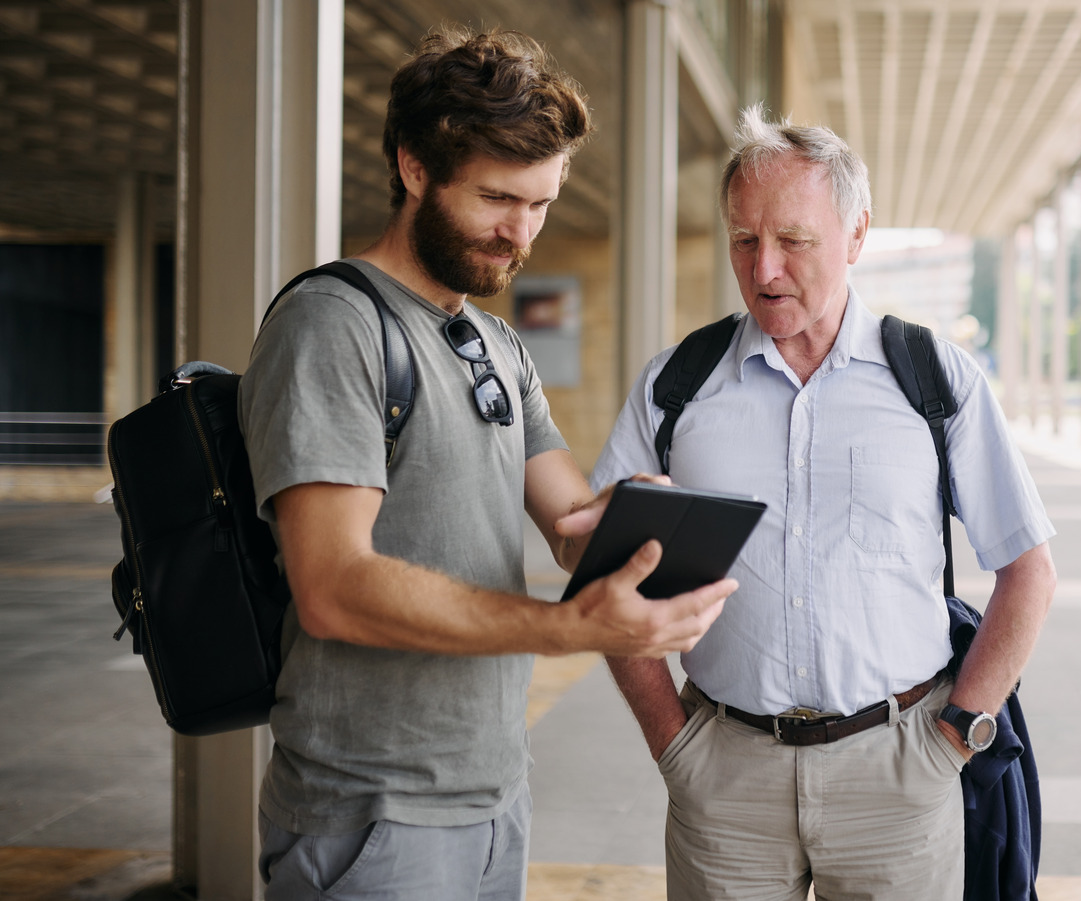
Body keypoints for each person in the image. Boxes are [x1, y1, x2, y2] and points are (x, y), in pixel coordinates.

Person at [237, 28, 733, 901]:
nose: (521, 234)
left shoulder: (497, 342)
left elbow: (570, 524)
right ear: (415, 168)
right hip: (370, 814)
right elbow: (332, 583)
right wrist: (567, 628)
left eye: (542, 204)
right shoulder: (332, 325)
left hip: (494, 795)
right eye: (500, 198)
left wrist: (629, 524)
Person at [588, 108, 1057, 900]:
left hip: (901, 776)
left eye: (793, 241)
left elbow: (1029, 569)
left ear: (856, 234)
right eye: (744, 240)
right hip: (722, 775)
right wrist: (673, 741)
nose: (764, 268)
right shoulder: (678, 385)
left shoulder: (934, 378)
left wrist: (957, 736)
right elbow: (607, 573)